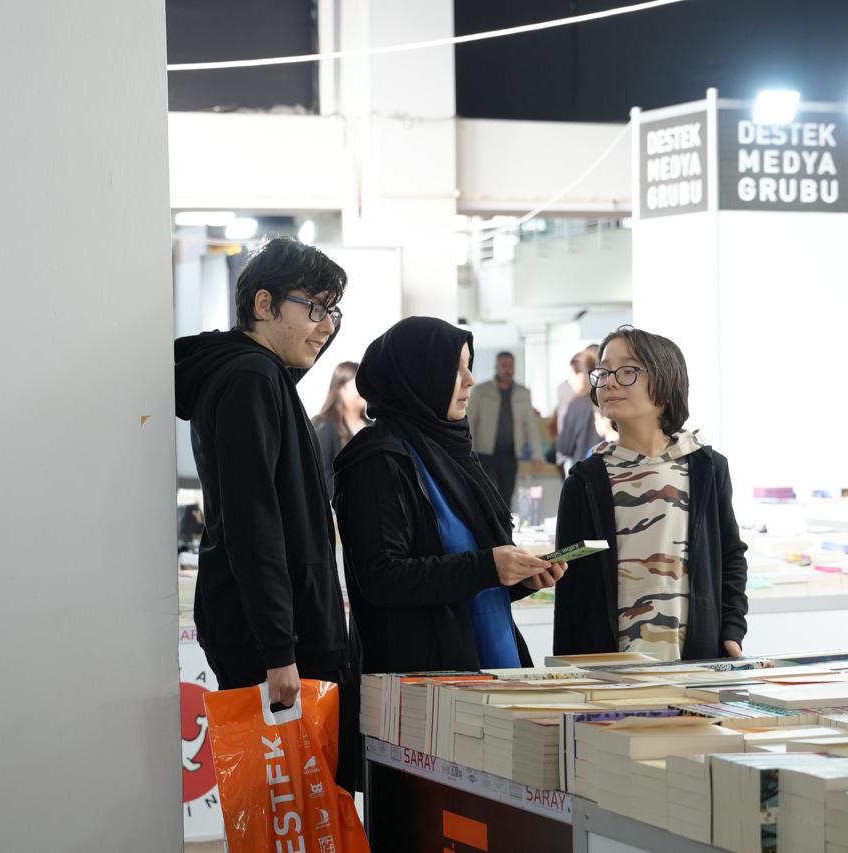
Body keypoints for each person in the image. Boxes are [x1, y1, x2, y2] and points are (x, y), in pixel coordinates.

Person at [173, 236, 358, 791]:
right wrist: (279, 651)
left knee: (293, 807)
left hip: (276, 632)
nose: (327, 327)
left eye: (334, 312)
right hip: (272, 644)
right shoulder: (249, 378)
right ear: (264, 304)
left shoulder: (260, 374)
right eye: (316, 309)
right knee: (285, 806)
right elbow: (253, 522)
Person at [333, 318, 566, 674]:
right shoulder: (378, 459)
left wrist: (518, 577)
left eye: (468, 366)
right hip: (423, 673)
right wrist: (487, 567)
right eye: (454, 369)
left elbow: (470, 571)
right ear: (418, 374)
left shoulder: (453, 452)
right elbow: (381, 577)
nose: (469, 379)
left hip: (487, 658)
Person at [552, 326, 749, 662]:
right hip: (609, 666)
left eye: (627, 371)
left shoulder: (707, 468)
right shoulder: (586, 481)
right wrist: (569, 669)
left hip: (693, 660)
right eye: (603, 372)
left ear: (666, 382)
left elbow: (730, 556)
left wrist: (732, 629)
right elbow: (571, 584)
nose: (610, 382)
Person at [468, 350, 545, 506]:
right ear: (496, 367)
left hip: (510, 455)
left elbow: (530, 425)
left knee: (506, 498)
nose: (507, 369)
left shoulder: (523, 393)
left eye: (511, 366)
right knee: (487, 495)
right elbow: (470, 422)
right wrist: (469, 451)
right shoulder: (481, 391)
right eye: (504, 365)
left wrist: (537, 454)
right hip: (484, 454)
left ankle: (504, 523)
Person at [312, 361, 368, 497]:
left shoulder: (373, 426)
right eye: (357, 382)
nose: (364, 387)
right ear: (340, 389)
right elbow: (322, 475)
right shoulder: (324, 425)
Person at [557, 349, 601, 474]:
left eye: (571, 376)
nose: (570, 381)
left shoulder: (576, 404)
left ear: (581, 376)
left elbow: (565, 446)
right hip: (607, 466)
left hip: (582, 469)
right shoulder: (606, 399)